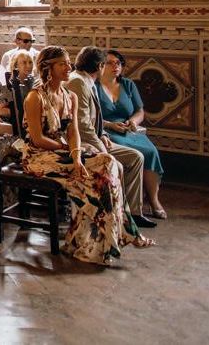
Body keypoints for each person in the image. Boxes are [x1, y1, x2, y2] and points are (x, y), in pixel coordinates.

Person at [21, 46, 155, 264]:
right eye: (62, 63)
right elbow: (37, 139)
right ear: (49, 68)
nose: (69, 67)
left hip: (66, 152)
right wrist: (69, 151)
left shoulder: (70, 96)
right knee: (94, 181)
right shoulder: (34, 97)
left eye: (68, 62)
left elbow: (73, 132)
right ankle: (116, 236)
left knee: (108, 163)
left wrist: (76, 158)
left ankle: (95, 241)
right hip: (39, 156)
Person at [67, 46, 156, 229]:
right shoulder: (78, 82)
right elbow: (82, 125)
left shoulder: (87, 81)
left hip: (95, 137)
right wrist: (101, 144)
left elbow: (93, 120)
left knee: (137, 157)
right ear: (100, 66)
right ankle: (115, 213)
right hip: (80, 143)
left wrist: (104, 134)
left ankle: (132, 213)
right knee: (127, 160)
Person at [98, 49, 166, 219]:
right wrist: (110, 125)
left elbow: (139, 111)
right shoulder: (94, 86)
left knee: (151, 152)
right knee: (135, 155)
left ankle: (153, 200)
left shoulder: (128, 84)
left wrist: (133, 122)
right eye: (110, 63)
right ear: (100, 65)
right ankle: (129, 203)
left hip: (129, 129)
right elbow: (90, 117)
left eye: (118, 63)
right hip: (105, 130)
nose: (115, 66)